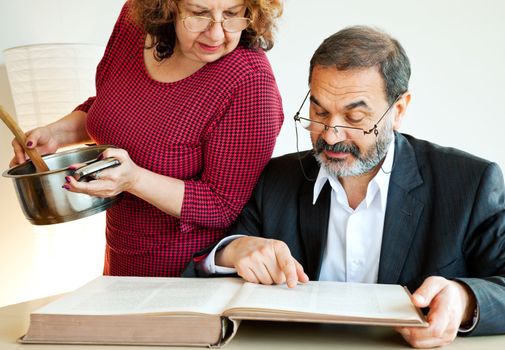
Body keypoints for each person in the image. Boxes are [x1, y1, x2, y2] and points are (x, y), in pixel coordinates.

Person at [184, 26, 505, 347]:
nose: (331, 135)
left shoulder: (469, 183)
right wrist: (232, 251)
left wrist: (463, 299)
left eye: (354, 118)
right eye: (319, 112)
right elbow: (201, 269)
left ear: (399, 110)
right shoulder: (276, 179)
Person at [9, 0, 284, 277]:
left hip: (188, 279)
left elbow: (222, 206)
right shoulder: (135, 23)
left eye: (232, 14)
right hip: (118, 265)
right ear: (167, 7)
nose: (216, 33)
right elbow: (115, 107)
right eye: (199, 14)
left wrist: (135, 180)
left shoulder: (250, 81)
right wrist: (55, 134)